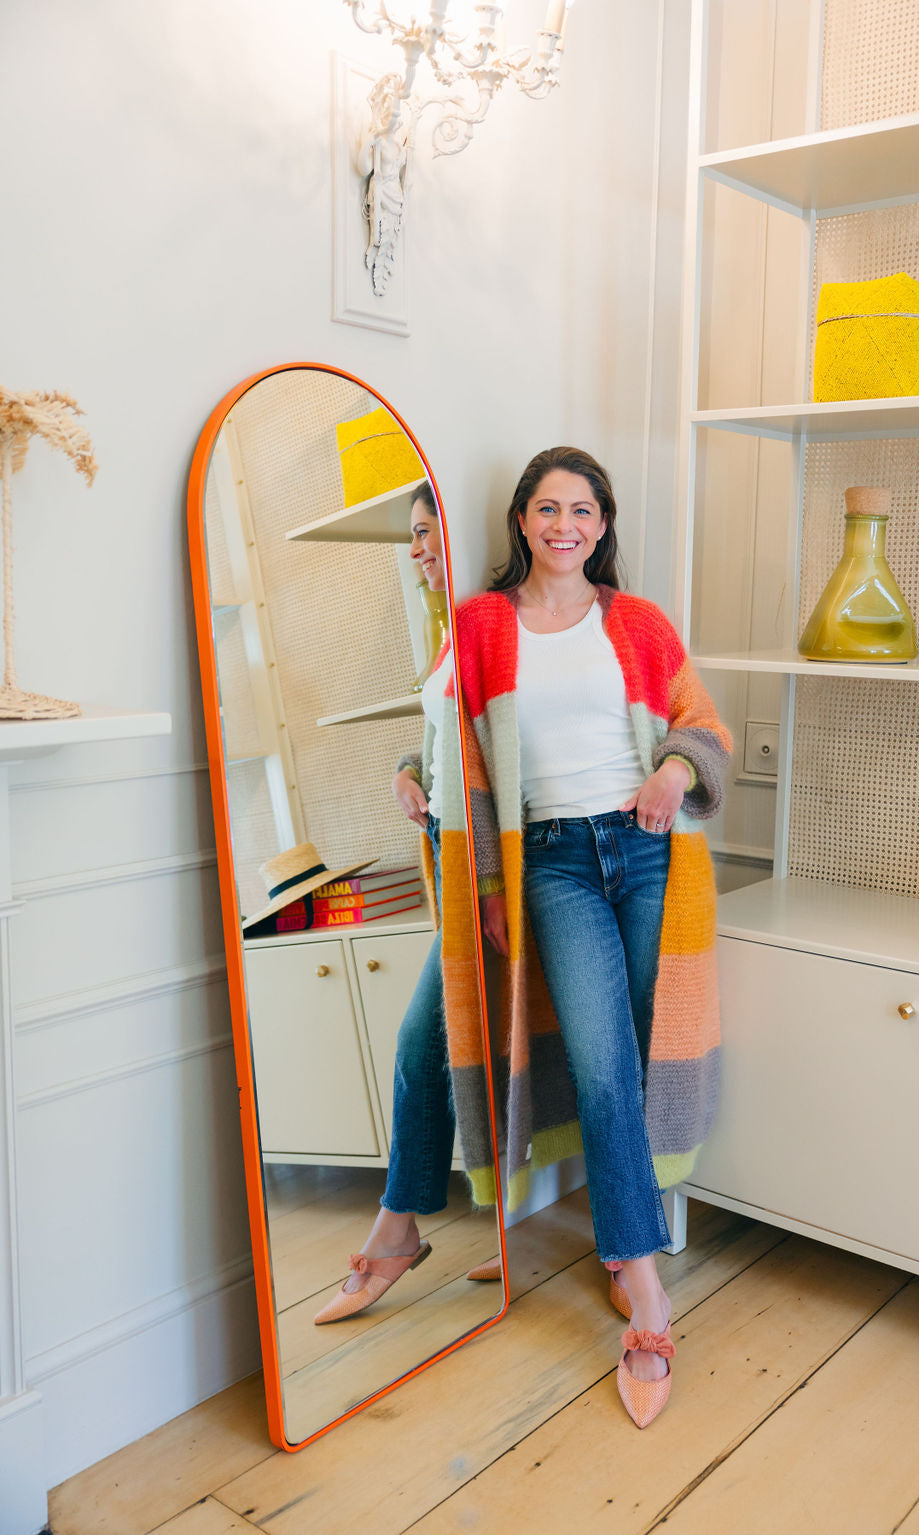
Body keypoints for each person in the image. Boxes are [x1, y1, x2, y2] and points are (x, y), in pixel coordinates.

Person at [454, 446, 731, 1427]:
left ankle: (622, 1241)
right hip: (555, 863)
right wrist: (485, 867)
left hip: (649, 847)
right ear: (521, 521)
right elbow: (450, 743)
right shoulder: (481, 624)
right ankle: (646, 1291)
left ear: (602, 523)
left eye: (581, 509)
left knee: (651, 1045)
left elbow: (703, 724)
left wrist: (672, 770)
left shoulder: (639, 621)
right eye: (546, 508)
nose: (563, 525)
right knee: (604, 1062)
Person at [313, 481, 496, 1322]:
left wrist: (490, 882)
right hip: (453, 864)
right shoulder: (450, 628)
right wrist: (406, 769)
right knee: (477, 1047)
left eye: (427, 532)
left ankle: (398, 1227)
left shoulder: (495, 624)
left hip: (490, 874)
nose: (416, 549)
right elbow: (440, 733)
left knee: (424, 1043)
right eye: (412, 535)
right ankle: (498, 1222)